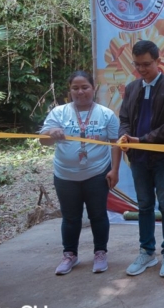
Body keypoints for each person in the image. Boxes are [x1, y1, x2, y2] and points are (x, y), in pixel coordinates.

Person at [40, 70, 121, 275]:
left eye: (85, 87)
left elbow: (116, 144)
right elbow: (43, 140)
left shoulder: (106, 114)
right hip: (65, 176)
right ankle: (70, 255)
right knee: (70, 217)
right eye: (75, 88)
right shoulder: (59, 113)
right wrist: (51, 134)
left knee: (98, 215)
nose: (80, 91)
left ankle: (100, 253)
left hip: (96, 174)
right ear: (70, 91)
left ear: (93, 88)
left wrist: (114, 170)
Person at [119, 39, 164, 278]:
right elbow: (124, 118)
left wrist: (144, 140)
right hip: (138, 159)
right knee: (144, 205)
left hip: (163, 158)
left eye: (147, 64)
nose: (142, 69)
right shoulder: (132, 88)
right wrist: (124, 137)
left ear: (159, 61)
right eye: (137, 65)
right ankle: (147, 252)